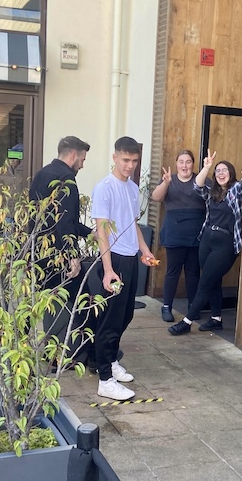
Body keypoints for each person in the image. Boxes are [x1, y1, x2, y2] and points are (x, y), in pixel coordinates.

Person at [90, 136, 156, 400]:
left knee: (126, 315)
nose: (130, 166)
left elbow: (132, 225)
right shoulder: (104, 188)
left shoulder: (131, 188)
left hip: (130, 258)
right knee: (110, 320)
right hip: (113, 259)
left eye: (134, 161)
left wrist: (144, 249)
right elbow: (102, 230)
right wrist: (108, 270)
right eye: (126, 160)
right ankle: (105, 378)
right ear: (115, 157)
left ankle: (110, 362)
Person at [168, 149, 242, 334]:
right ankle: (216, 318)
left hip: (225, 243)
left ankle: (187, 321)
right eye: (218, 171)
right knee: (213, 280)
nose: (221, 174)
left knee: (205, 282)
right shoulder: (211, 193)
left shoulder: (235, 191)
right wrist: (207, 167)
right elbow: (197, 185)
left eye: (225, 170)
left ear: (231, 174)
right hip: (206, 239)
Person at [29, 136, 92, 363]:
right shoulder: (67, 179)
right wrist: (72, 256)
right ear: (73, 155)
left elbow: (41, 217)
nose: (83, 165)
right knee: (82, 301)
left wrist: (90, 233)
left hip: (38, 252)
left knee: (51, 303)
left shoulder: (41, 174)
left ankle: (51, 353)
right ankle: (79, 355)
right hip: (60, 254)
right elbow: (65, 223)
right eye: (83, 159)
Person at [151, 150, 207, 324]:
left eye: (188, 162)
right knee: (173, 271)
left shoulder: (202, 179)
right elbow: (156, 197)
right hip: (174, 232)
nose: (185, 165)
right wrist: (166, 183)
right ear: (176, 163)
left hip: (196, 233)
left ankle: (192, 307)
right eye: (181, 161)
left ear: (193, 164)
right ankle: (166, 306)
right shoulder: (169, 179)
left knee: (193, 272)